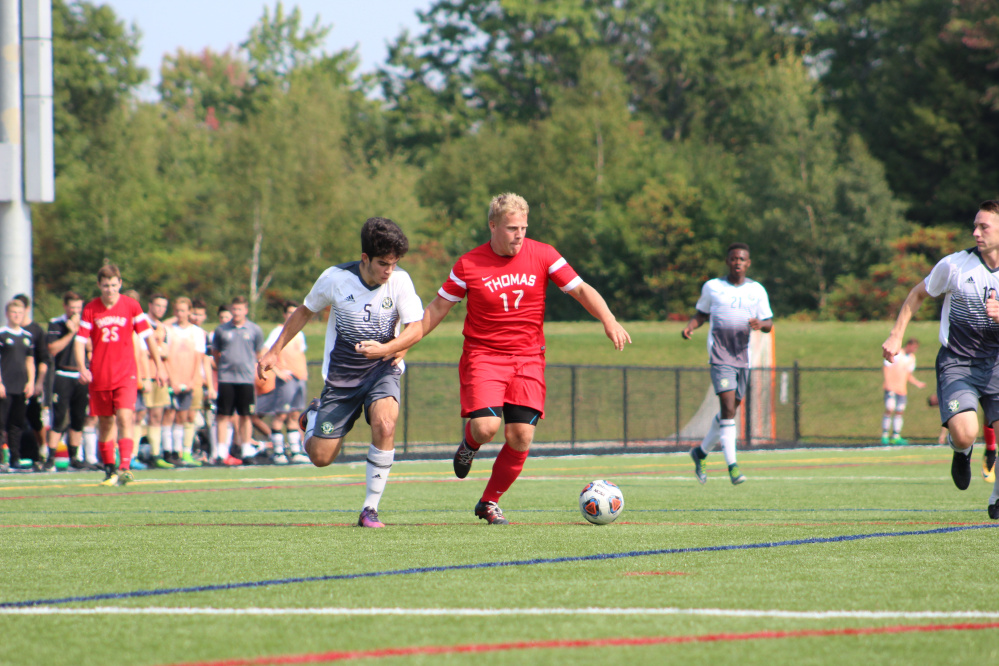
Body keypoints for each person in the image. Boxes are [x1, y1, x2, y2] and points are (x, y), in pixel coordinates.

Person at [418, 194, 631, 525]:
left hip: (528, 358)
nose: (519, 235)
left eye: (523, 228)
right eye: (511, 228)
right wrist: (402, 343)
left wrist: (609, 319)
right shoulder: (469, 264)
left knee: (521, 436)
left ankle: (489, 502)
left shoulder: (544, 254)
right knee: (486, 427)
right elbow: (437, 308)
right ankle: (469, 444)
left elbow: (580, 289)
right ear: (493, 226)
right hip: (485, 355)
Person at [257, 217, 424, 528]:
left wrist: (387, 349)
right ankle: (312, 418)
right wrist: (274, 350)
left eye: (394, 263)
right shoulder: (334, 279)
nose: (389, 270)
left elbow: (417, 327)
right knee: (321, 458)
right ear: (365, 258)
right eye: (383, 263)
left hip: (382, 370)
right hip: (342, 378)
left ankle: (370, 508)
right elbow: (304, 311)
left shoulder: (401, 280)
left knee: (386, 424)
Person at [882, 200, 999, 519]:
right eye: (974, 226)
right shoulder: (955, 266)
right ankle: (962, 450)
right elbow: (918, 293)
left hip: (996, 363)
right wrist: (896, 334)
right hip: (958, 363)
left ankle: (996, 497)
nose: (976, 233)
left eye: (984, 226)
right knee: (965, 431)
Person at [683, 242, 773, 486]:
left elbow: (769, 323)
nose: (737, 262)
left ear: (748, 263)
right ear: (727, 261)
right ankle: (733, 467)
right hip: (720, 355)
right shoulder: (713, 287)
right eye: (734, 258)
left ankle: (700, 452)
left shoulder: (757, 290)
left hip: (743, 356)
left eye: (742, 259)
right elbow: (702, 313)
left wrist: (760, 324)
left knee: (729, 412)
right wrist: (690, 326)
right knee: (727, 407)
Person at [74, 264, 167, 486]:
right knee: (106, 423)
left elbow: (148, 337)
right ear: (99, 285)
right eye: (106, 285)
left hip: (126, 374)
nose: (110, 289)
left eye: (114, 285)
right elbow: (79, 341)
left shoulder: (131, 305)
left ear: (120, 284)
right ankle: (109, 469)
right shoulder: (91, 309)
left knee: (126, 417)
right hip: (100, 375)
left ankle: (125, 466)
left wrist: (160, 366)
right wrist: (81, 367)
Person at [46, 291, 98, 471]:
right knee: (59, 418)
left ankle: (74, 457)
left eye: (78, 307)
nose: (76, 311)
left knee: (78, 418)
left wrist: (80, 330)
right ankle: (50, 458)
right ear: (65, 307)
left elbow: (91, 346)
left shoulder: (87, 323)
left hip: (81, 375)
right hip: (63, 374)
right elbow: (53, 349)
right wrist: (71, 332)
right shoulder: (56, 323)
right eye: (72, 307)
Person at [211, 296, 264, 466]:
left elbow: (259, 353)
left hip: (246, 379)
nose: (236, 312)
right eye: (234, 309)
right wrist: (223, 367)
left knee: (246, 415)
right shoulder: (222, 330)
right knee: (223, 415)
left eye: (239, 309)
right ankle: (221, 452)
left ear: (245, 311)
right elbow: (215, 352)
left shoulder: (254, 330)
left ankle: (246, 449)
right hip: (226, 378)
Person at [163, 297, 214, 466]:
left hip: (191, 380)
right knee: (170, 415)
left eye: (184, 311)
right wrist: (173, 380)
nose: (181, 314)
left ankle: (185, 451)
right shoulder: (169, 330)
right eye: (178, 310)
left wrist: (193, 380)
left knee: (187, 416)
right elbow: (166, 357)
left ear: (189, 312)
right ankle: (170, 451)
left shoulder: (197, 333)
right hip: (174, 380)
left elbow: (199, 359)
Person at [260, 300, 310, 464]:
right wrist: (278, 372)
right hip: (287, 380)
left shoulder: (299, 333)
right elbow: (264, 352)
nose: (292, 316)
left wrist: (303, 374)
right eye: (289, 312)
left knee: (294, 414)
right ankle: (278, 452)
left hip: (299, 379)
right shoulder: (278, 331)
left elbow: (300, 355)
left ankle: (295, 451)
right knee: (281, 414)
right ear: (284, 314)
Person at [13, 294, 50, 470]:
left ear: (26, 309)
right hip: (12, 383)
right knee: (12, 421)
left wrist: (38, 382)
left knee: (36, 420)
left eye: (19, 310)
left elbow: (42, 359)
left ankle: (43, 452)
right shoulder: (6, 332)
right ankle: (11, 456)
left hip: (31, 383)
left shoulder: (35, 330)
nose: (16, 314)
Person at [0, 300, 36, 472]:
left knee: (16, 424)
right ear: (7, 314)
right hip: (5, 386)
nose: (17, 316)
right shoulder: (2, 334)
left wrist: (31, 382)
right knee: (1, 423)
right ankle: (1, 460)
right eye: (14, 312)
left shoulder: (27, 336)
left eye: (20, 313)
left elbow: (30, 361)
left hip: (20, 386)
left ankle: (15, 458)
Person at [143, 293, 173, 468]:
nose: (161, 309)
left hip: (158, 376)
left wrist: (155, 350)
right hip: (143, 375)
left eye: (164, 306)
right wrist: (157, 350)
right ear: (150, 305)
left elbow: (166, 352)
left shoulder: (163, 328)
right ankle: (133, 455)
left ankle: (155, 454)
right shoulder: (142, 323)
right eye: (158, 305)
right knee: (138, 415)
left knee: (157, 416)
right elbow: (140, 349)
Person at [881, 338, 926, 445]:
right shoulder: (897, 354)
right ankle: (885, 435)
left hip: (901, 389)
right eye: (914, 347)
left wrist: (917, 383)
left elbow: (908, 374)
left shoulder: (912, 358)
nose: (915, 350)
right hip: (891, 387)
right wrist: (888, 383)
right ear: (909, 345)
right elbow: (886, 367)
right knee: (890, 408)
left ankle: (896, 436)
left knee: (899, 411)